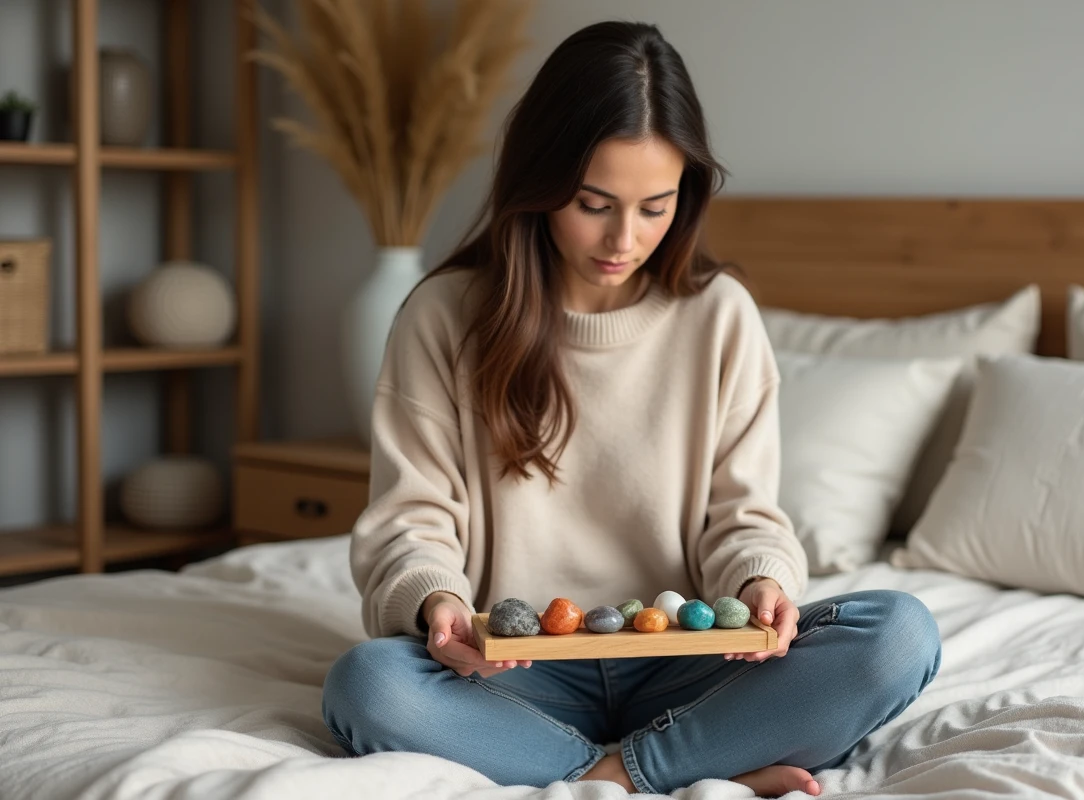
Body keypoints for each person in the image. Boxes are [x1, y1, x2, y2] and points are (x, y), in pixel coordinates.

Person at [321, 19, 941, 798]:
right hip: (514, 671)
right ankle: (681, 766)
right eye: (593, 203)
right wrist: (440, 607)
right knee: (366, 687)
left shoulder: (720, 315)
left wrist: (759, 582)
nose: (625, 238)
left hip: (689, 659)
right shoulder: (444, 315)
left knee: (898, 635)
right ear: (540, 184)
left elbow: (742, 513)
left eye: (656, 205)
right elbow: (410, 521)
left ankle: (609, 771)